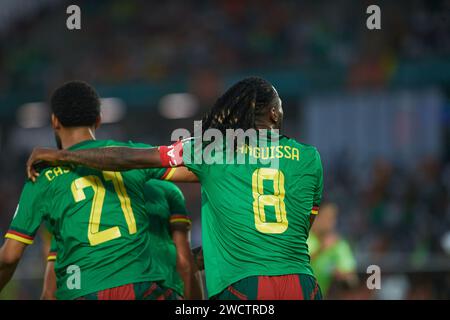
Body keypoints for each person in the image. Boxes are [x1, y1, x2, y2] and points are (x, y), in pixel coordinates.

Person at [27, 77, 324, 300]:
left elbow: (130, 159)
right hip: (303, 285)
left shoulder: (212, 152)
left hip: (241, 287)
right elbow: (298, 230)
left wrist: (63, 156)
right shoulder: (310, 159)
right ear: (273, 115)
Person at [0, 80, 196, 300]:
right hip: (139, 286)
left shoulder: (42, 177)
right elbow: (192, 171)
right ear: (98, 120)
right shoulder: (132, 156)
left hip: (82, 290)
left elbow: (9, 257)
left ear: (55, 121)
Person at [41, 179, 203, 300]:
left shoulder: (73, 207)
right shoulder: (165, 190)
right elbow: (185, 264)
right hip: (154, 290)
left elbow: (50, 291)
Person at [308, 202, 358, 298]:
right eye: (326, 217)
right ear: (315, 217)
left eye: (333, 218)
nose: (329, 222)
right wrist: (321, 249)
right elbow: (295, 264)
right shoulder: (302, 238)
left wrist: (344, 277)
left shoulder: (339, 245)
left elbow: (352, 279)